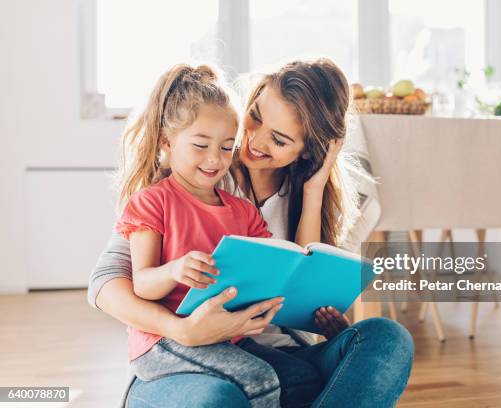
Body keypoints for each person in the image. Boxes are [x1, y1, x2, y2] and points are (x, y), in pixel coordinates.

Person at [89, 58, 414, 408]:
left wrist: (313, 191)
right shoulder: (191, 176)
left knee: (388, 338)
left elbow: (297, 291)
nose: (254, 141)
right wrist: (182, 330)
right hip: (182, 359)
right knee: (223, 397)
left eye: (279, 139)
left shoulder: (298, 197)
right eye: (256, 116)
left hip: (269, 354)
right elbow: (105, 284)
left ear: (308, 150)